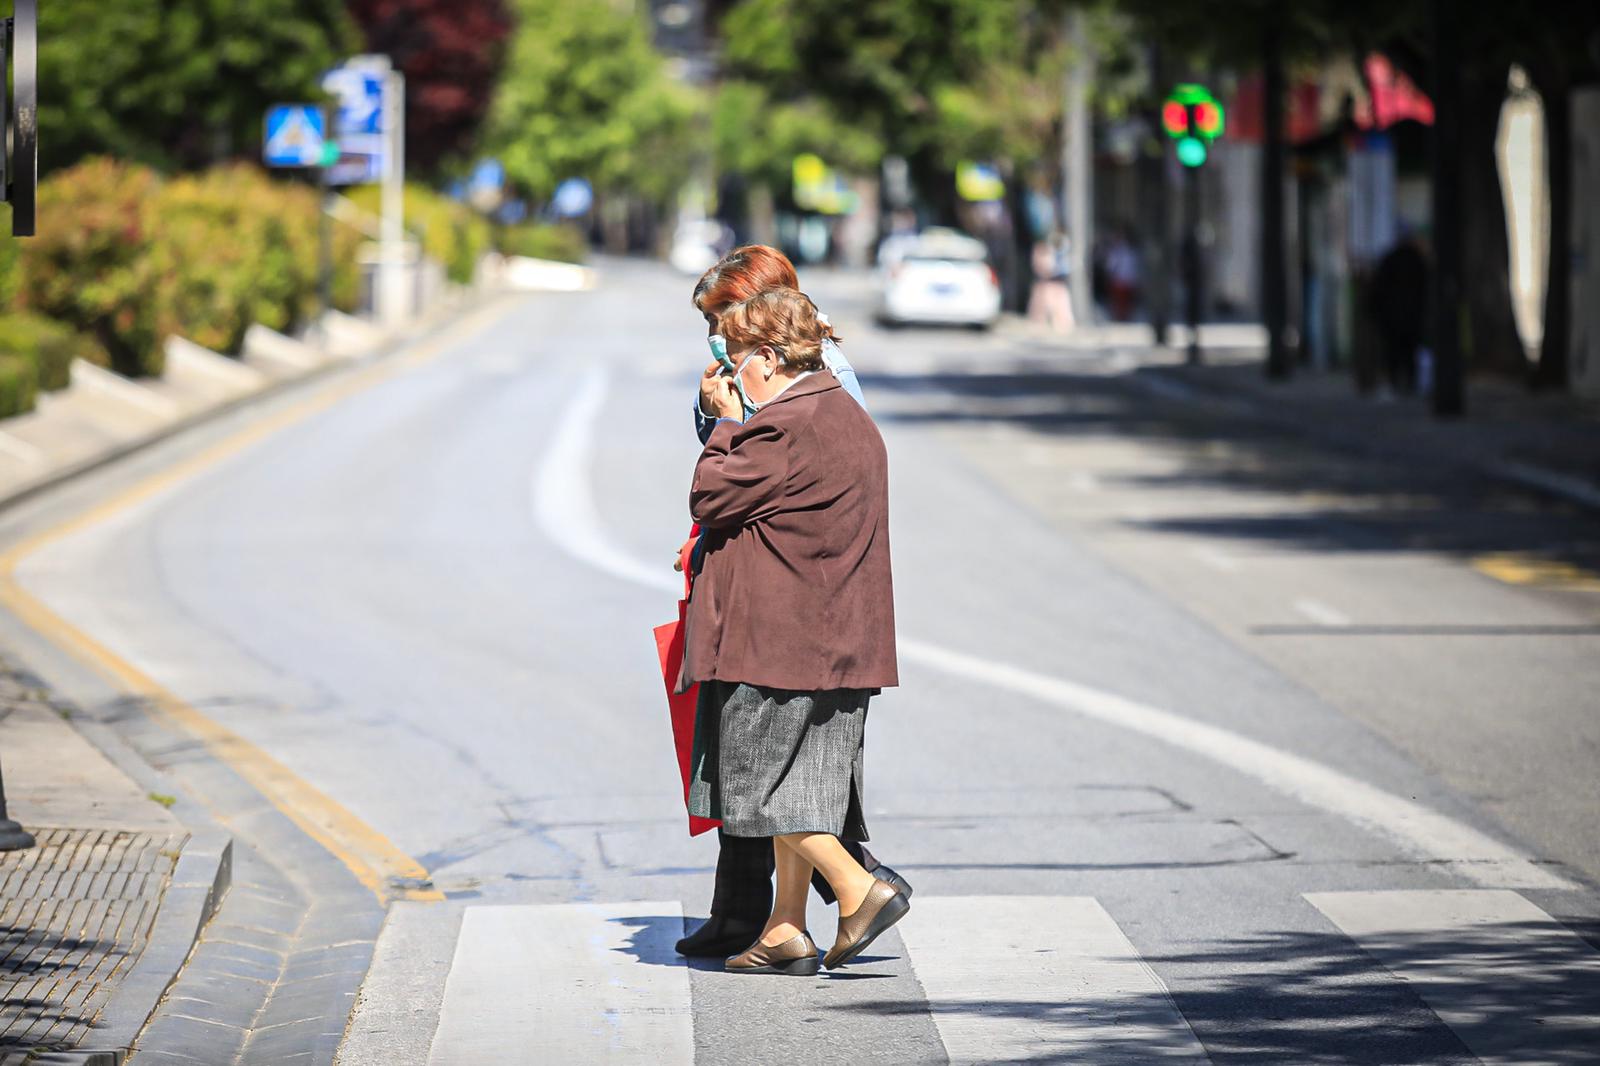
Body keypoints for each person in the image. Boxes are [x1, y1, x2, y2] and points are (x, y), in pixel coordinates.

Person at [673, 246, 910, 961]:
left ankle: (860, 887)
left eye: (732, 340)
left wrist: (723, 425)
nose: (721, 358)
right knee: (801, 783)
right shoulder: (836, 407)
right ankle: (782, 926)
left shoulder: (783, 417)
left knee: (760, 790)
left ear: (770, 354)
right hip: (839, 631)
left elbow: (713, 492)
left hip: (780, 632)